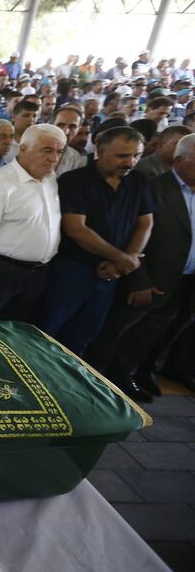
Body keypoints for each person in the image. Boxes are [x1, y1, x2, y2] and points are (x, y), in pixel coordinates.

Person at [86, 133, 195, 401]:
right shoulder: (151, 188)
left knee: (156, 334)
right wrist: (138, 279)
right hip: (149, 280)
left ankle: (134, 375)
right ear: (180, 161)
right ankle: (99, 384)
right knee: (118, 334)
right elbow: (130, 237)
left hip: (186, 280)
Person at [36, 127, 153, 358]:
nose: (130, 162)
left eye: (136, 155)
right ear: (100, 150)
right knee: (47, 330)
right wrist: (122, 259)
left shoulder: (138, 181)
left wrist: (125, 262)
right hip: (72, 271)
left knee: (83, 336)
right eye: (122, 156)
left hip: (110, 275)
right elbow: (77, 229)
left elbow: (145, 224)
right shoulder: (75, 180)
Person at [0, 124, 65, 322]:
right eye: (47, 150)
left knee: (14, 332)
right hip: (0, 272)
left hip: (37, 274)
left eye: (59, 152)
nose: (54, 158)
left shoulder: (51, 179)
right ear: (23, 148)